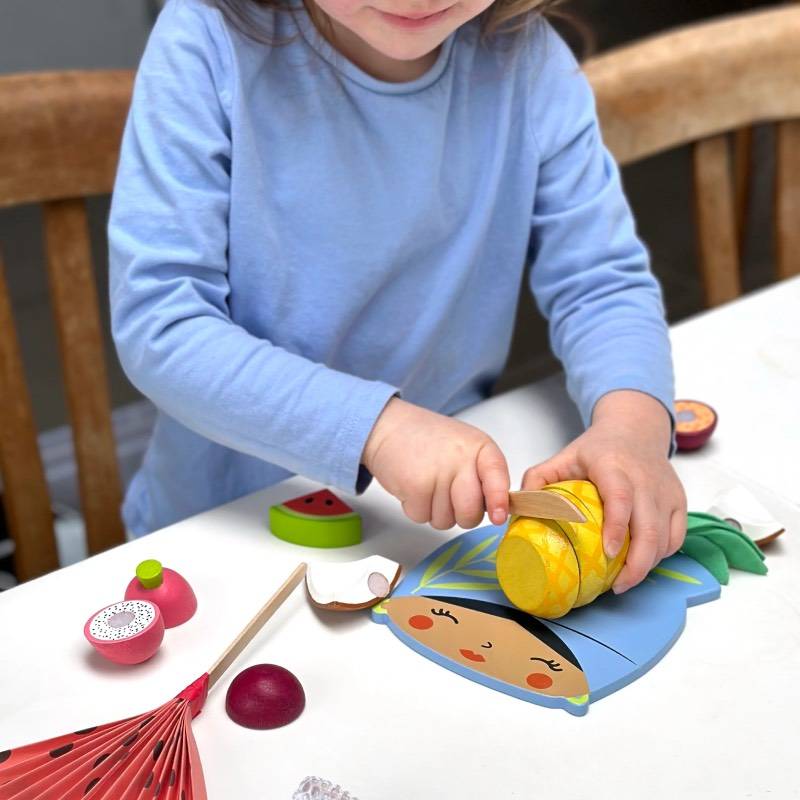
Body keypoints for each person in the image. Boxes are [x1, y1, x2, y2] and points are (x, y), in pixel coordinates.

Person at [108, 0, 686, 593]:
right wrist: (377, 430)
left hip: (427, 541)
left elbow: (601, 283)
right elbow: (164, 326)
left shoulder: (529, 60)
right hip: (223, 534)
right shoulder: (207, 37)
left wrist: (632, 430)